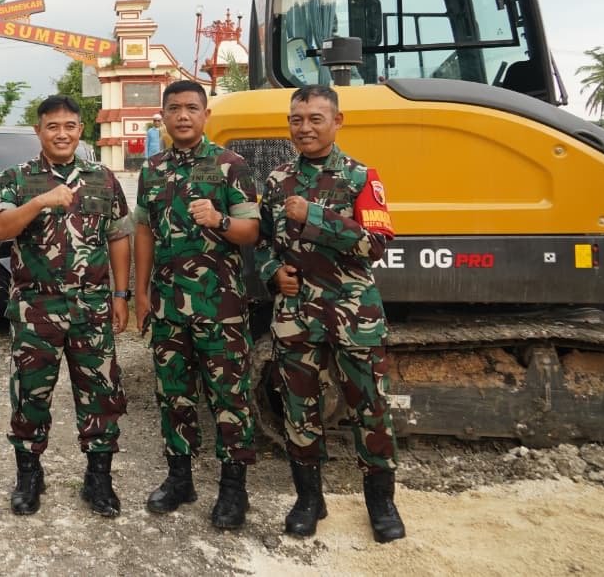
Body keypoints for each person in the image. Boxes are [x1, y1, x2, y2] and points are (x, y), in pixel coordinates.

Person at [257, 84, 405, 543]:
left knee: (370, 408)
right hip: (297, 313)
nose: (305, 128)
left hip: (352, 313)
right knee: (300, 409)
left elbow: (377, 245)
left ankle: (380, 503)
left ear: (337, 122)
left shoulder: (362, 178)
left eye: (315, 119)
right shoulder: (277, 180)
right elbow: (263, 242)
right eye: (297, 120)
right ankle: (308, 499)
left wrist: (317, 216)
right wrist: (271, 272)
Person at [0, 95, 132, 518]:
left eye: (70, 125)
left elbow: (119, 237)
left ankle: (98, 479)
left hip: (92, 310)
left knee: (101, 394)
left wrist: (120, 296)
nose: (62, 133)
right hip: (36, 309)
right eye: (53, 126)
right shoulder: (16, 178)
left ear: (80, 130)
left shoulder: (103, 179)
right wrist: (38, 203)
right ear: (39, 131)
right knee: (31, 395)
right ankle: (29, 476)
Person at [133, 79, 260, 529]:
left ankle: (232, 489)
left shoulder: (231, 165)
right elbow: (144, 230)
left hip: (218, 306)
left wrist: (219, 219)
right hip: (168, 306)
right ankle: (179, 478)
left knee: (230, 396)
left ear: (205, 115)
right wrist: (141, 291)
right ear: (163, 116)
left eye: (191, 108)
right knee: (173, 394)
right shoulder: (151, 169)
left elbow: (251, 232)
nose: (183, 116)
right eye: (174, 109)